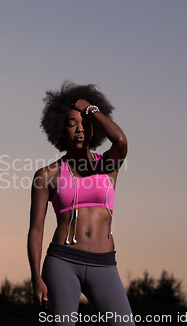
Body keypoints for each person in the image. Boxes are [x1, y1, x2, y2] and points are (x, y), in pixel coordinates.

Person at [27, 81, 135, 325]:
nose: (79, 129)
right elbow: (36, 230)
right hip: (62, 262)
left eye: (85, 123)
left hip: (104, 263)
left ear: (94, 128)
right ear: (60, 130)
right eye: (71, 124)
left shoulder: (108, 166)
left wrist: (92, 110)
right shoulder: (47, 175)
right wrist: (36, 278)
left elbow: (120, 141)